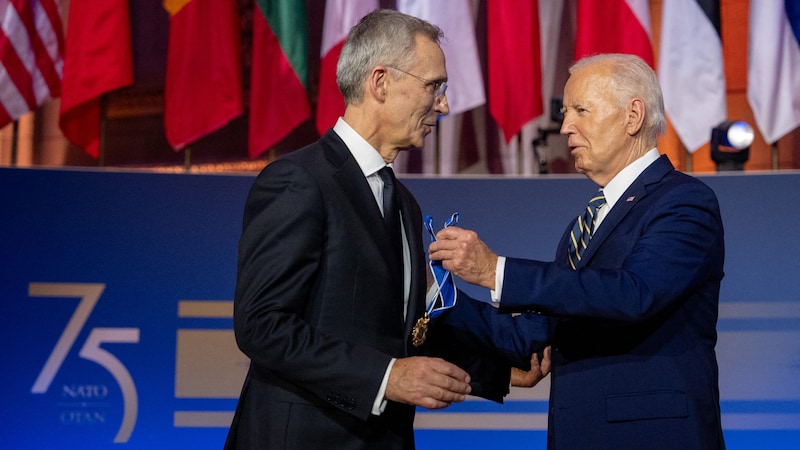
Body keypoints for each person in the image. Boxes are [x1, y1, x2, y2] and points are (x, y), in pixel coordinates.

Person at [224, 9, 546, 449]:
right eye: (434, 87)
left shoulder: (403, 203)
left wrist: (495, 371)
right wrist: (386, 376)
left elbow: (405, 326)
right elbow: (262, 325)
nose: (445, 105)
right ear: (380, 82)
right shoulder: (299, 181)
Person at [429, 53, 726, 450]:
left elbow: (634, 295)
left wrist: (496, 271)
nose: (566, 126)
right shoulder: (584, 225)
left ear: (632, 115)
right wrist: (433, 294)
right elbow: (531, 336)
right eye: (567, 112)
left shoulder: (684, 201)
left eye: (581, 110)